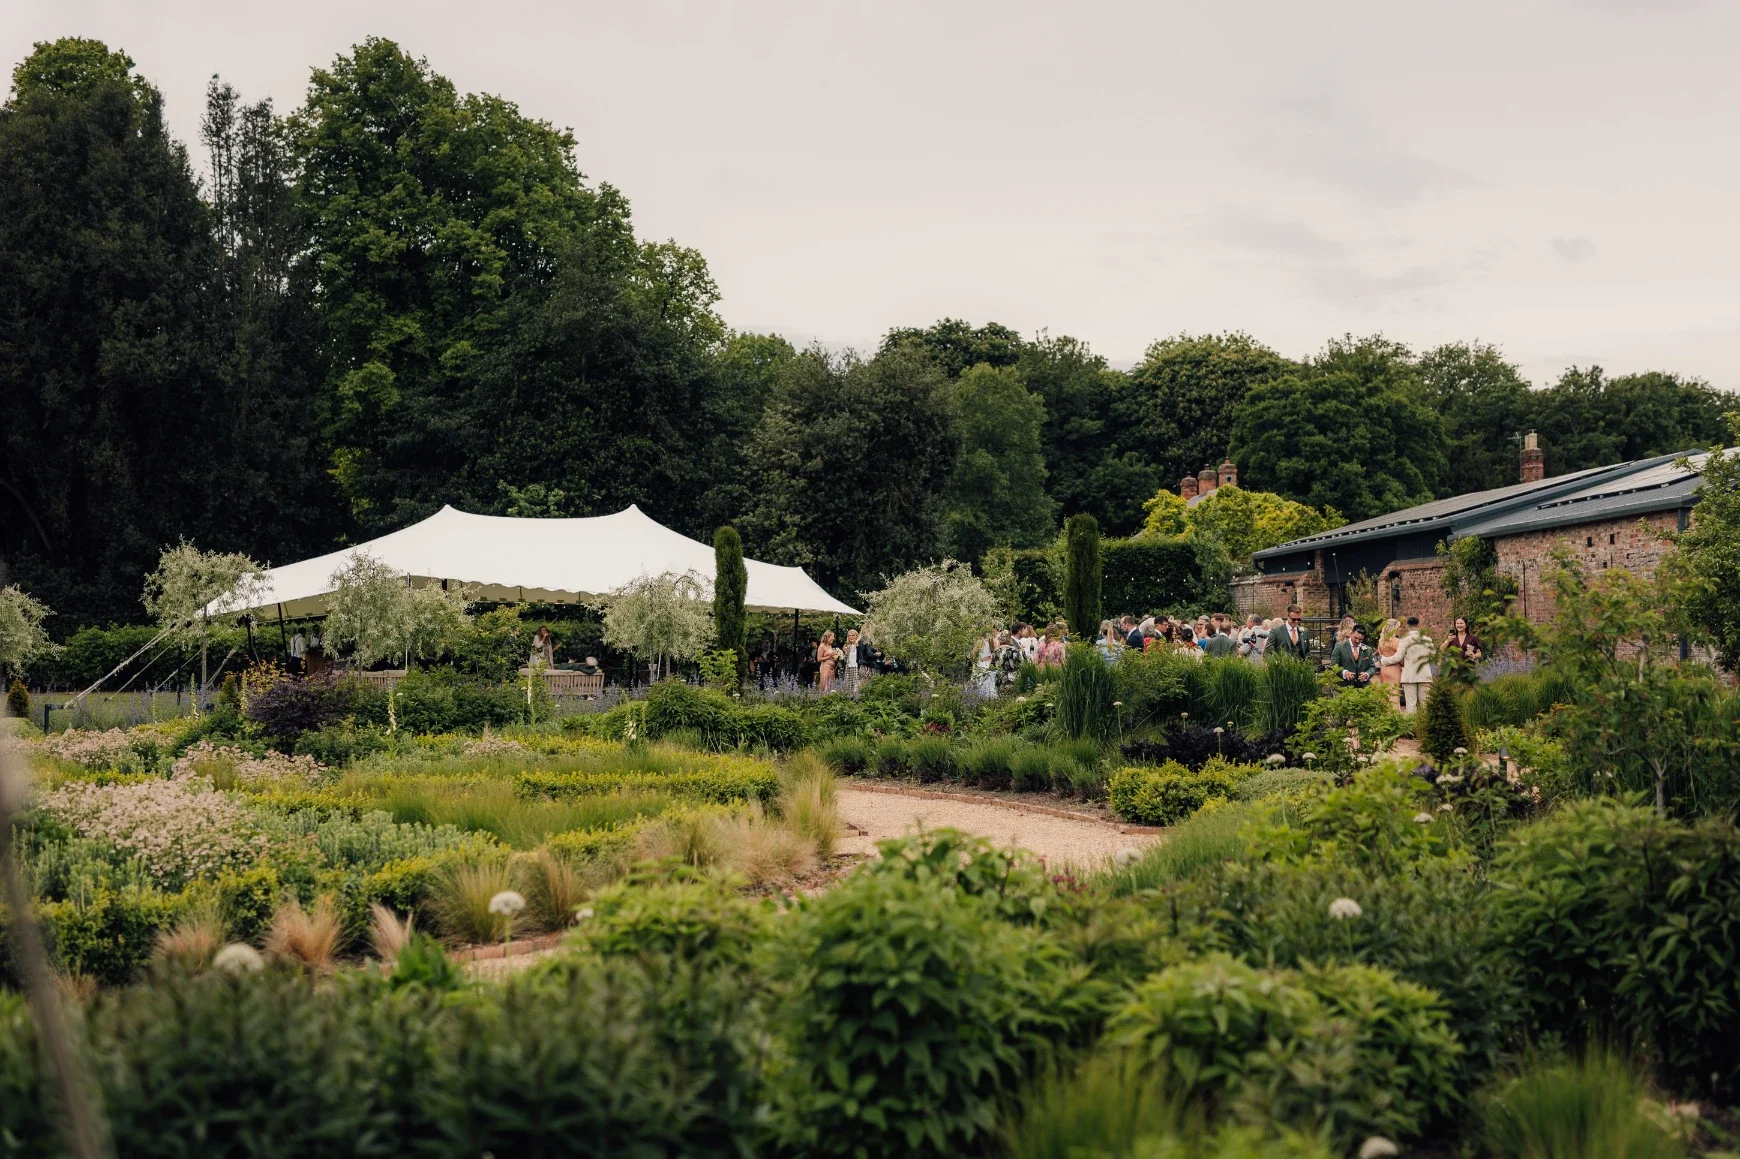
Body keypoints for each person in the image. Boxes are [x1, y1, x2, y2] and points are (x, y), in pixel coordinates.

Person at [1396, 616, 1435, 713]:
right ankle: (1425, 727)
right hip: (1424, 674)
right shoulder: (1428, 640)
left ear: (1407, 626)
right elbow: (1432, 656)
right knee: (1425, 704)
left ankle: (1411, 727)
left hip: (1409, 675)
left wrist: (1384, 660)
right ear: (1419, 625)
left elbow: (1398, 657)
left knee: (1411, 705)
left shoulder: (1403, 640)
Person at [1375, 617, 1404, 707]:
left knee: (1386, 694)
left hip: (1384, 669)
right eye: (1399, 627)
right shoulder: (1397, 641)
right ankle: (1394, 714)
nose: (1400, 629)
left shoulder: (1381, 641)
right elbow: (1401, 659)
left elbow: (1380, 655)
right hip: (1395, 670)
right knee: (1394, 695)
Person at [843, 627, 866, 695]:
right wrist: (845, 652)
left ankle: (856, 699)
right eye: (850, 635)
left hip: (856, 667)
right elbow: (845, 660)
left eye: (853, 635)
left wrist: (857, 641)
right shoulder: (847, 646)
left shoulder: (859, 645)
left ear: (856, 636)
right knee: (848, 685)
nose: (851, 637)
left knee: (856, 686)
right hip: (849, 667)